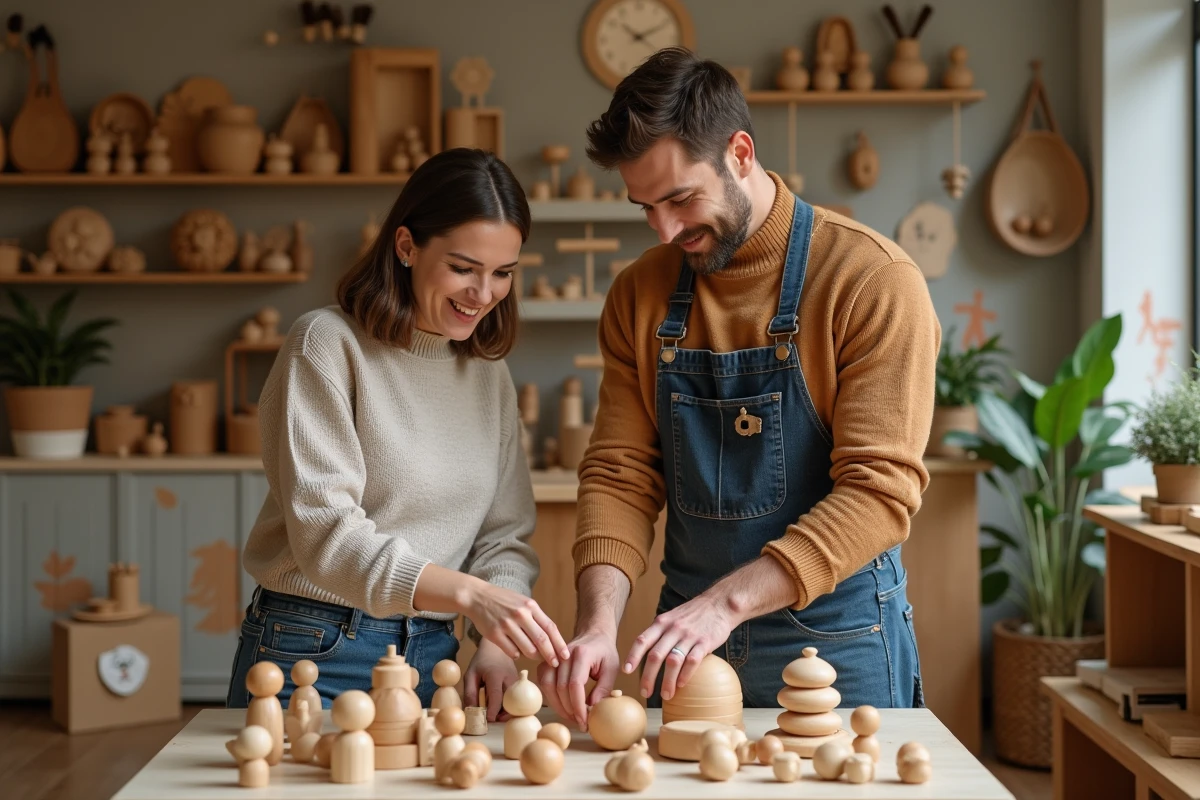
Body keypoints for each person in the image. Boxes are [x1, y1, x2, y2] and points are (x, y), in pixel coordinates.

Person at [537, 48, 939, 727]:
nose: (665, 230)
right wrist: (599, 622)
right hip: (688, 646)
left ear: (741, 153)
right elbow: (619, 474)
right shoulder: (641, 292)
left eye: (680, 199)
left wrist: (724, 606)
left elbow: (878, 494)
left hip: (836, 643)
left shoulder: (870, 280)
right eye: (645, 207)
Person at [228, 148, 569, 719]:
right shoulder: (325, 346)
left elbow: (504, 534)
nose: (483, 294)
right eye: (464, 267)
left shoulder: (488, 374)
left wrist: (494, 643)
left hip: (437, 656)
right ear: (407, 247)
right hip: (315, 647)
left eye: (503, 273)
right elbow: (327, 536)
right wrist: (471, 597)